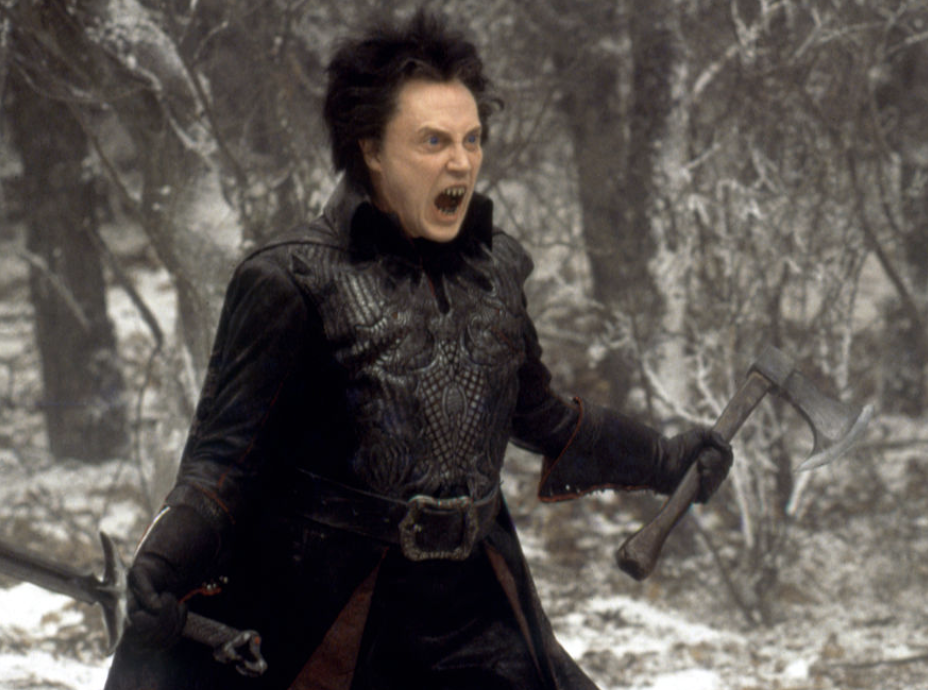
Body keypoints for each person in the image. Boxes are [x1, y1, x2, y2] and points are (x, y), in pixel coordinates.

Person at [104, 10, 732, 690]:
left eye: (471, 139)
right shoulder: (289, 279)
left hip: (475, 604)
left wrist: (664, 459)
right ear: (371, 150)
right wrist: (163, 562)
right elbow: (221, 463)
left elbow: (543, 416)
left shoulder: (494, 273)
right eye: (433, 141)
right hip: (331, 608)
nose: (461, 161)